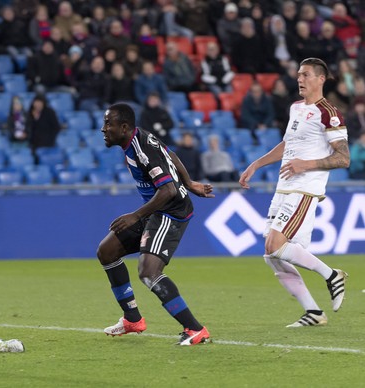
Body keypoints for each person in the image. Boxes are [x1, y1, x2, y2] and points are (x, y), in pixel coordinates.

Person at [239, 58, 349, 327]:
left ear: (321, 79)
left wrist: (305, 164)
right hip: (284, 187)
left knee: (275, 245)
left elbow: (343, 158)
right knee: (271, 255)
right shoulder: (296, 108)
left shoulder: (329, 113)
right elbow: (287, 144)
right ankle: (313, 312)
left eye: (306, 75)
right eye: (299, 74)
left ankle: (331, 274)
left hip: (305, 187)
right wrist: (256, 163)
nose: (300, 79)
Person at [97, 103, 213, 346]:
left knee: (149, 272)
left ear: (124, 127)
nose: (103, 129)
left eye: (109, 124)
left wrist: (136, 216)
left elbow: (168, 190)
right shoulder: (137, 141)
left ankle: (195, 329)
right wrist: (190, 182)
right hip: (155, 209)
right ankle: (132, 319)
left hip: (170, 211)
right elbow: (170, 154)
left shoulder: (142, 148)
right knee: (107, 252)